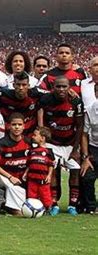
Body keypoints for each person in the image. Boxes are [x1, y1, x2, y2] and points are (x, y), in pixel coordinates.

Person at [38, 76, 84, 216]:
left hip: (70, 143)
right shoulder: (46, 100)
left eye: (64, 86)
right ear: (53, 87)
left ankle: (72, 205)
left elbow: (80, 125)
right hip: (53, 143)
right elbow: (41, 121)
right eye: (58, 86)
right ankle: (54, 204)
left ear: (69, 87)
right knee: (53, 172)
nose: (61, 89)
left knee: (75, 171)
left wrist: (76, 149)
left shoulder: (76, 101)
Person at [0, 113, 30, 218]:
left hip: (21, 179)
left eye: (19, 124)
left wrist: (27, 173)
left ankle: (1, 204)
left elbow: (33, 161)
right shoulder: (3, 143)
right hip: (6, 177)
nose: (17, 127)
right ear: (8, 126)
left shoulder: (29, 142)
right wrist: (10, 177)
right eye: (14, 124)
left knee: (19, 212)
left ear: (24, 126)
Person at [0, 71, 44, 138]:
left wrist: (40, 126)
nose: (21, 88)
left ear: (29, 86)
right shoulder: (4, 96)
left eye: (24, 85)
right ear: (13, 85)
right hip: (10, 134)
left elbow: (41, 107)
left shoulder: (36, 95)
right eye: (18, 85)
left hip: (30, 134)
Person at [23, 127, 54, 212]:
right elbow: (29, 164)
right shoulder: (32, 151)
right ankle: (32, 209)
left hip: (43, 179)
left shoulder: (48, 152)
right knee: (31, 195)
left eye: (35, 135)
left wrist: (49, 175)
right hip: (32, 178)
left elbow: (51, 164)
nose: (33, 137)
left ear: (42, 138)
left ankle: (48, 208)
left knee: (45, 195)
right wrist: (26, 173)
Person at [80, 86, 98, 214]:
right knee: (87, 177)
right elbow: (84, 134)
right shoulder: (90, 110)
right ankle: (91, 206)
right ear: (96, 94)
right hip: (94, 148)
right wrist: (86, 158)